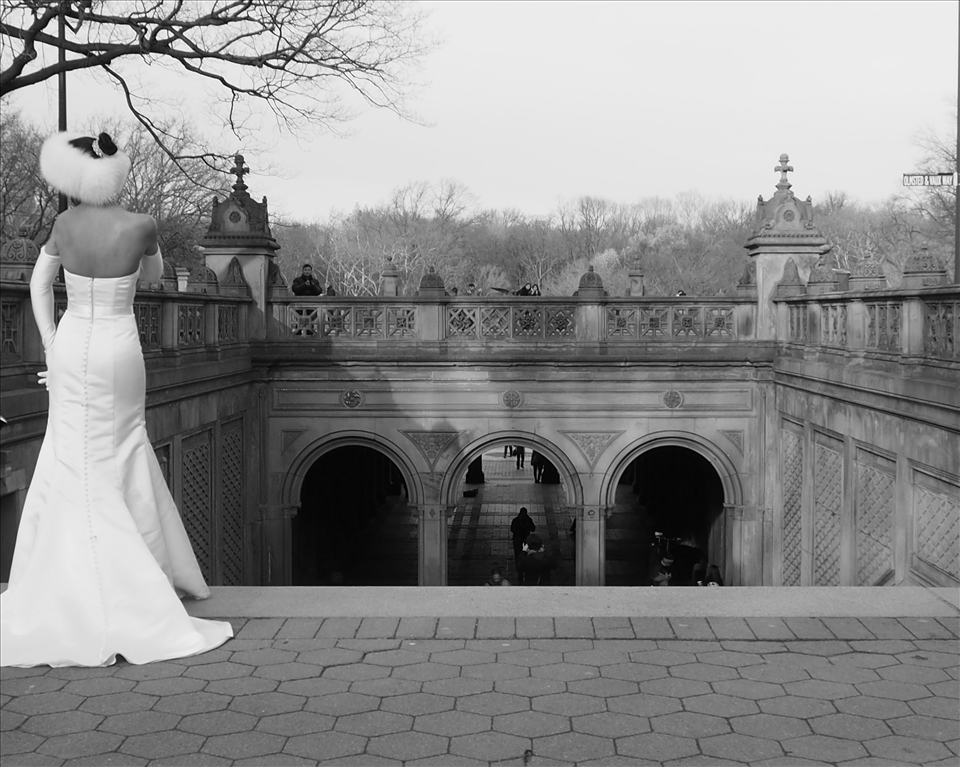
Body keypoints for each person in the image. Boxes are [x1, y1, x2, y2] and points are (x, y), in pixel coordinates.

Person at [0, 131, 233, 668]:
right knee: (127, 444)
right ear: (117, 173)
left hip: (74, 338)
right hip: (119, 346)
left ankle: (67, 575)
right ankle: (148, 568)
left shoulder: (63, 225)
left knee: (68, 453)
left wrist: (52, 339)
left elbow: (39, 284)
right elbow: (151, 276)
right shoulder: (141, 226)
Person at [510, 507, 536, 571]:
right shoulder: (527, 520)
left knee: (519, 555)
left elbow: (512, 529)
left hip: (519, 540)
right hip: (523, 540)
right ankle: (522, 568)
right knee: (523, 554)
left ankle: (520, 568)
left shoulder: (516, 520)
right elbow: (533, 529)